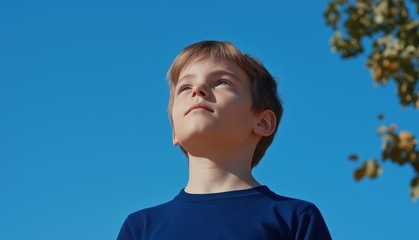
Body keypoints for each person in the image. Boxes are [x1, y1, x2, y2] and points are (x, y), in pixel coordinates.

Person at [117, 40, 332, 240]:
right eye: (185, 87)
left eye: (222, 82)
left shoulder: (296, 218)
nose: (198, 90)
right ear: (174, 131)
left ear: (262, 122)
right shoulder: (140, 228)